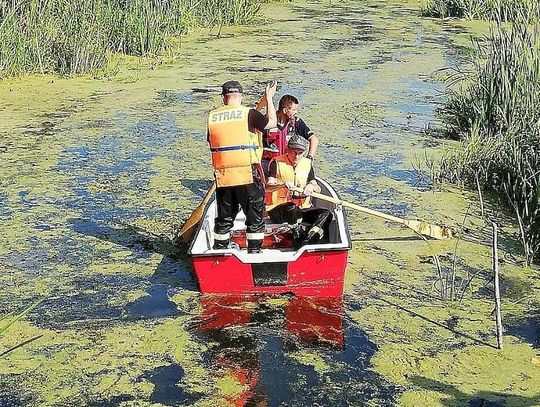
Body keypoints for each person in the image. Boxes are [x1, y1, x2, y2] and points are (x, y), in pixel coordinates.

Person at [208, 80, 277, 253]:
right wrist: (269, 98)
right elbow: (272, 123)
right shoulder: (249, 114)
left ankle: (219, 250)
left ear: (224, 98)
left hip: (224, 175)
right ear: (241, 96)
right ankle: (254, 251)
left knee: (224, 218)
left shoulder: (213, 117)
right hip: (247, 172)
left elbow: (212, 141)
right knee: (254, 216)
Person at [265, 134, 332, 248]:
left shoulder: (307, 164)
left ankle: (309, 239)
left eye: (300, 153)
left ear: (304, 153)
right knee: (291, 208)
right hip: (278, 210)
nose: (296, 156)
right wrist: (282, 185)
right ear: (287, 150)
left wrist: (311, 187)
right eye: (293, 152)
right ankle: (297, 238)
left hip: (301, 209)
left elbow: (316, 186)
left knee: (326, 214)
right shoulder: (276, 163)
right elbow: (268, 186)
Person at [261, 94, 319, 176]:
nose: (296, 112)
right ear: (285, 110)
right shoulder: (266, 122)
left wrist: (309, 157)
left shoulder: (296, 123)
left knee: (307, 170)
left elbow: (314, 139)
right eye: (294, 109)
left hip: (288, 164)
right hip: (268, 164)